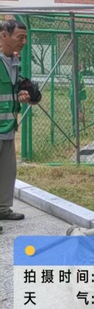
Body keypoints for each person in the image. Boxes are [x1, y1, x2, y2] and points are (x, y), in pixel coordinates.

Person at [1, 20, 39, 231]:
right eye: (20, 37)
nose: (24, 42)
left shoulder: (14, 62)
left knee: (7, 172)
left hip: (7, 127)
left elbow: (11, 92)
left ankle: (2, 208)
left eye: (25, 38)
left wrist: (22, 95)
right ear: (4, 36)